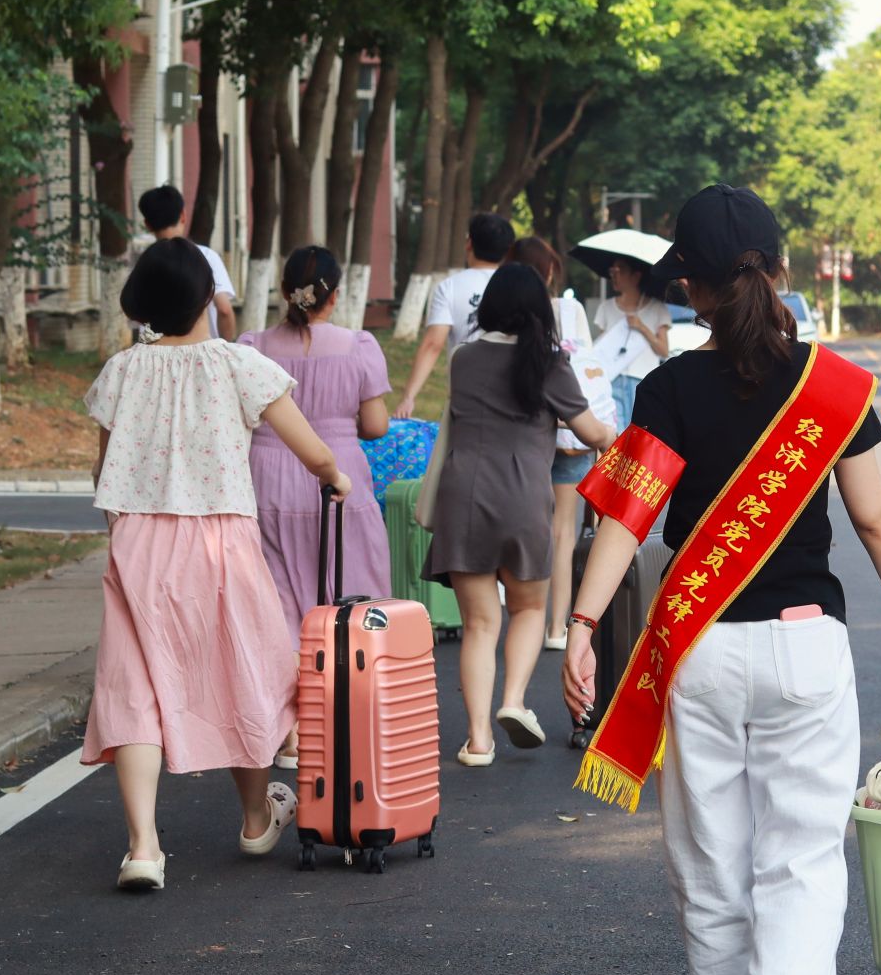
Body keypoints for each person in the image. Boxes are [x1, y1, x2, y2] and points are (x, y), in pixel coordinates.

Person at [564, 184, 881, 975]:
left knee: (710, 863)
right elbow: (875, 520)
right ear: (779, 270)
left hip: (700, 649)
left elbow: (627, 517)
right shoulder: (831, 385)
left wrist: (581, 623)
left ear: (689, 287)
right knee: (803, 857)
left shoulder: (667, 388)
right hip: (806, 646)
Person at [86, 239, 351, 889]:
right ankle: (257, 818)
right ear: (209, 297)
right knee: (244, 669)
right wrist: (334, 475)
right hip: (222, 539)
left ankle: (144, 847)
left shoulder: (122, 370)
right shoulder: (239, 363)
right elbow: (310, 448)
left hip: (138, 536)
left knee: (134, 685)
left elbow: (102, 466)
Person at [425, 264, 614, 764]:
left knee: (479, 624)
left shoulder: (463, 359)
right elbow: (590, 431)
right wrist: (611, 438)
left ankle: (479, 740)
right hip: (523, 498)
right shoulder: (549, 363)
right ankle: (513, 701)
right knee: (528, 609)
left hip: (464, 497)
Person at [241, 246, 394, 767]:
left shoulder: (253, 347)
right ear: (335, 294)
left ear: (285, 291)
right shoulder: (359, 346)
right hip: (337, 474)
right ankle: (345, 718)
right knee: (350, 595)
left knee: (280, 603)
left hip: (267, 476)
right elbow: (375, 425)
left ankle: (292, 730)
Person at [503, 235, 615, 650]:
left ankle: (521, 611)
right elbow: (587, 365)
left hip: (524, 437)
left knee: (526, 524)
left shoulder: (506, 313)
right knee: (563, 532)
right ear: (550, 272)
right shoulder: (570, 310)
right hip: (572, 430)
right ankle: (556, 628)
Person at [393, 211, 515, 418]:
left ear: (469, 244)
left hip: (464, 400)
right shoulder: (516, 287)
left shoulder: (449, 287)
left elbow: (433, 345)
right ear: (506, 250)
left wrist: (408, 397)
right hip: (510, 398)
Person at [138, 184, 237, 340]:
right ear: (183, 215)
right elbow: (224, 309)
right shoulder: (206, 256)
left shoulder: (144, 262)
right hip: (204, 350)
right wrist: (227, 346)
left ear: (147, 224)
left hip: (157, 350)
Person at [592, 254, 672, 427]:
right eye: (612, 271)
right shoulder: (606, 307)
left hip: (643, 380)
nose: (614, 275)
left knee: (640, 432)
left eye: (620, 270)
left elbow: (664, 350)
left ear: (636, 276)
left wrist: (642, 327)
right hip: (613, 380)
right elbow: (602, 348)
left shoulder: (657, 308)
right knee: (616, 434)